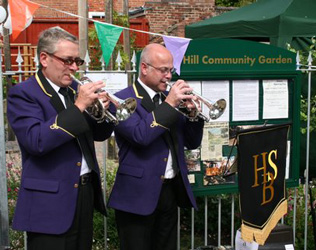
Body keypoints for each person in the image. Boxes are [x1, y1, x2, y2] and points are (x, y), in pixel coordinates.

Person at [7, 26, 115, 250]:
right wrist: (79, 107)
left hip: (83, 191)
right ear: (44, 58)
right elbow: (36, 141)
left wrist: (102, 112)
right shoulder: (24, 93)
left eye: (77, 61)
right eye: (67, 60)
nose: (74, 67)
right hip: (48, 201)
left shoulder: (74, 91)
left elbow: (99, 135)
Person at [108, 43, 204, 250]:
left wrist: (194, 115)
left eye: (170, 70)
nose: (168, 76)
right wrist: (169, 105)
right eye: (163, 70)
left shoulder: (169, 100)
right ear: (144, 68)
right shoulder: (121, 99)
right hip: (136, 195)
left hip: (169, 190)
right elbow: (140, 136)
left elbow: (192, 142)